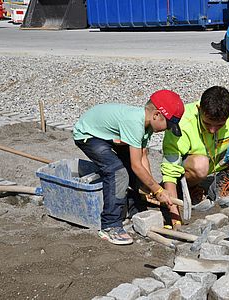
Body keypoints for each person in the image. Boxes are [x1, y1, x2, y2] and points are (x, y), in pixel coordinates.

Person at [73, 90, 184, 245]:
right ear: (157, 115)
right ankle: (110, 226)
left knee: (130, 169)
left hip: (108, 135)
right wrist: (158, 190)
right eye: (168, 125)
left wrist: (149, 187)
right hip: (88, 135)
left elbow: (142, 156)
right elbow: (137, 166)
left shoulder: (147, 125)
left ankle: (133, 208)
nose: (167, 129)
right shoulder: (135, 122)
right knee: (117, 172)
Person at [161, 86, 229, 217]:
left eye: (219, 125)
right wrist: (174, 216)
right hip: (190, 167)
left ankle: (223, 181)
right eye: (207, 123)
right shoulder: (182, 124)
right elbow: (170, 171)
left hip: (215, 157)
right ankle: (189, 188)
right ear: (199, 109)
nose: (212, 130)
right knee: (201, 163)